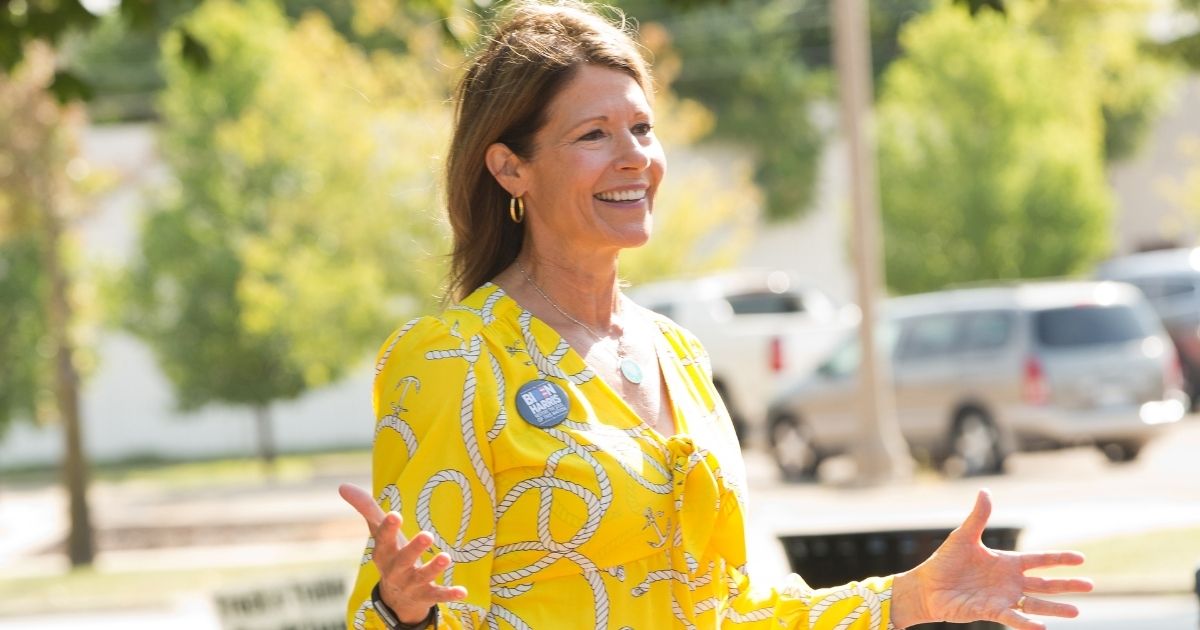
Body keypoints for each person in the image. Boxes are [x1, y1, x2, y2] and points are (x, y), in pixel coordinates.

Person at [340, 2, 1093, 628]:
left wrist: (908, 597)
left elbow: (732, 611)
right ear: (510, 167)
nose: (634, 156)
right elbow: (421, 607)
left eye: (641, 128)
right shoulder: (454, 361)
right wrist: (398, 612)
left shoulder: (681, 358)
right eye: (593, 135)